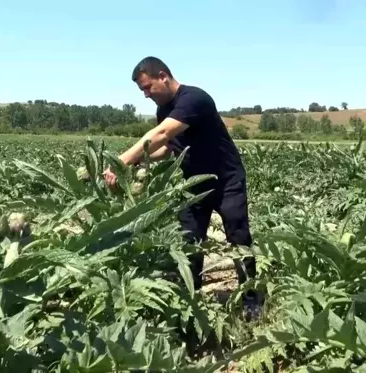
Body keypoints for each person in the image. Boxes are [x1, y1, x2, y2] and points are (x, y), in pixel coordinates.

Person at [102, 56, 259, 307]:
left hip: (226, 180)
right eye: (142, 90)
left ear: (163, 76)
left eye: (147, 87)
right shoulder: (164, 109)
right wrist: (137, 163)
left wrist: (121, 161)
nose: (145, 94)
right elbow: (169, 147)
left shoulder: (194, 99)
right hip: (194, 182)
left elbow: (162, 133)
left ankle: (252, 301)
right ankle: (189, 295)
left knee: (238, 238)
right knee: (189, 239)